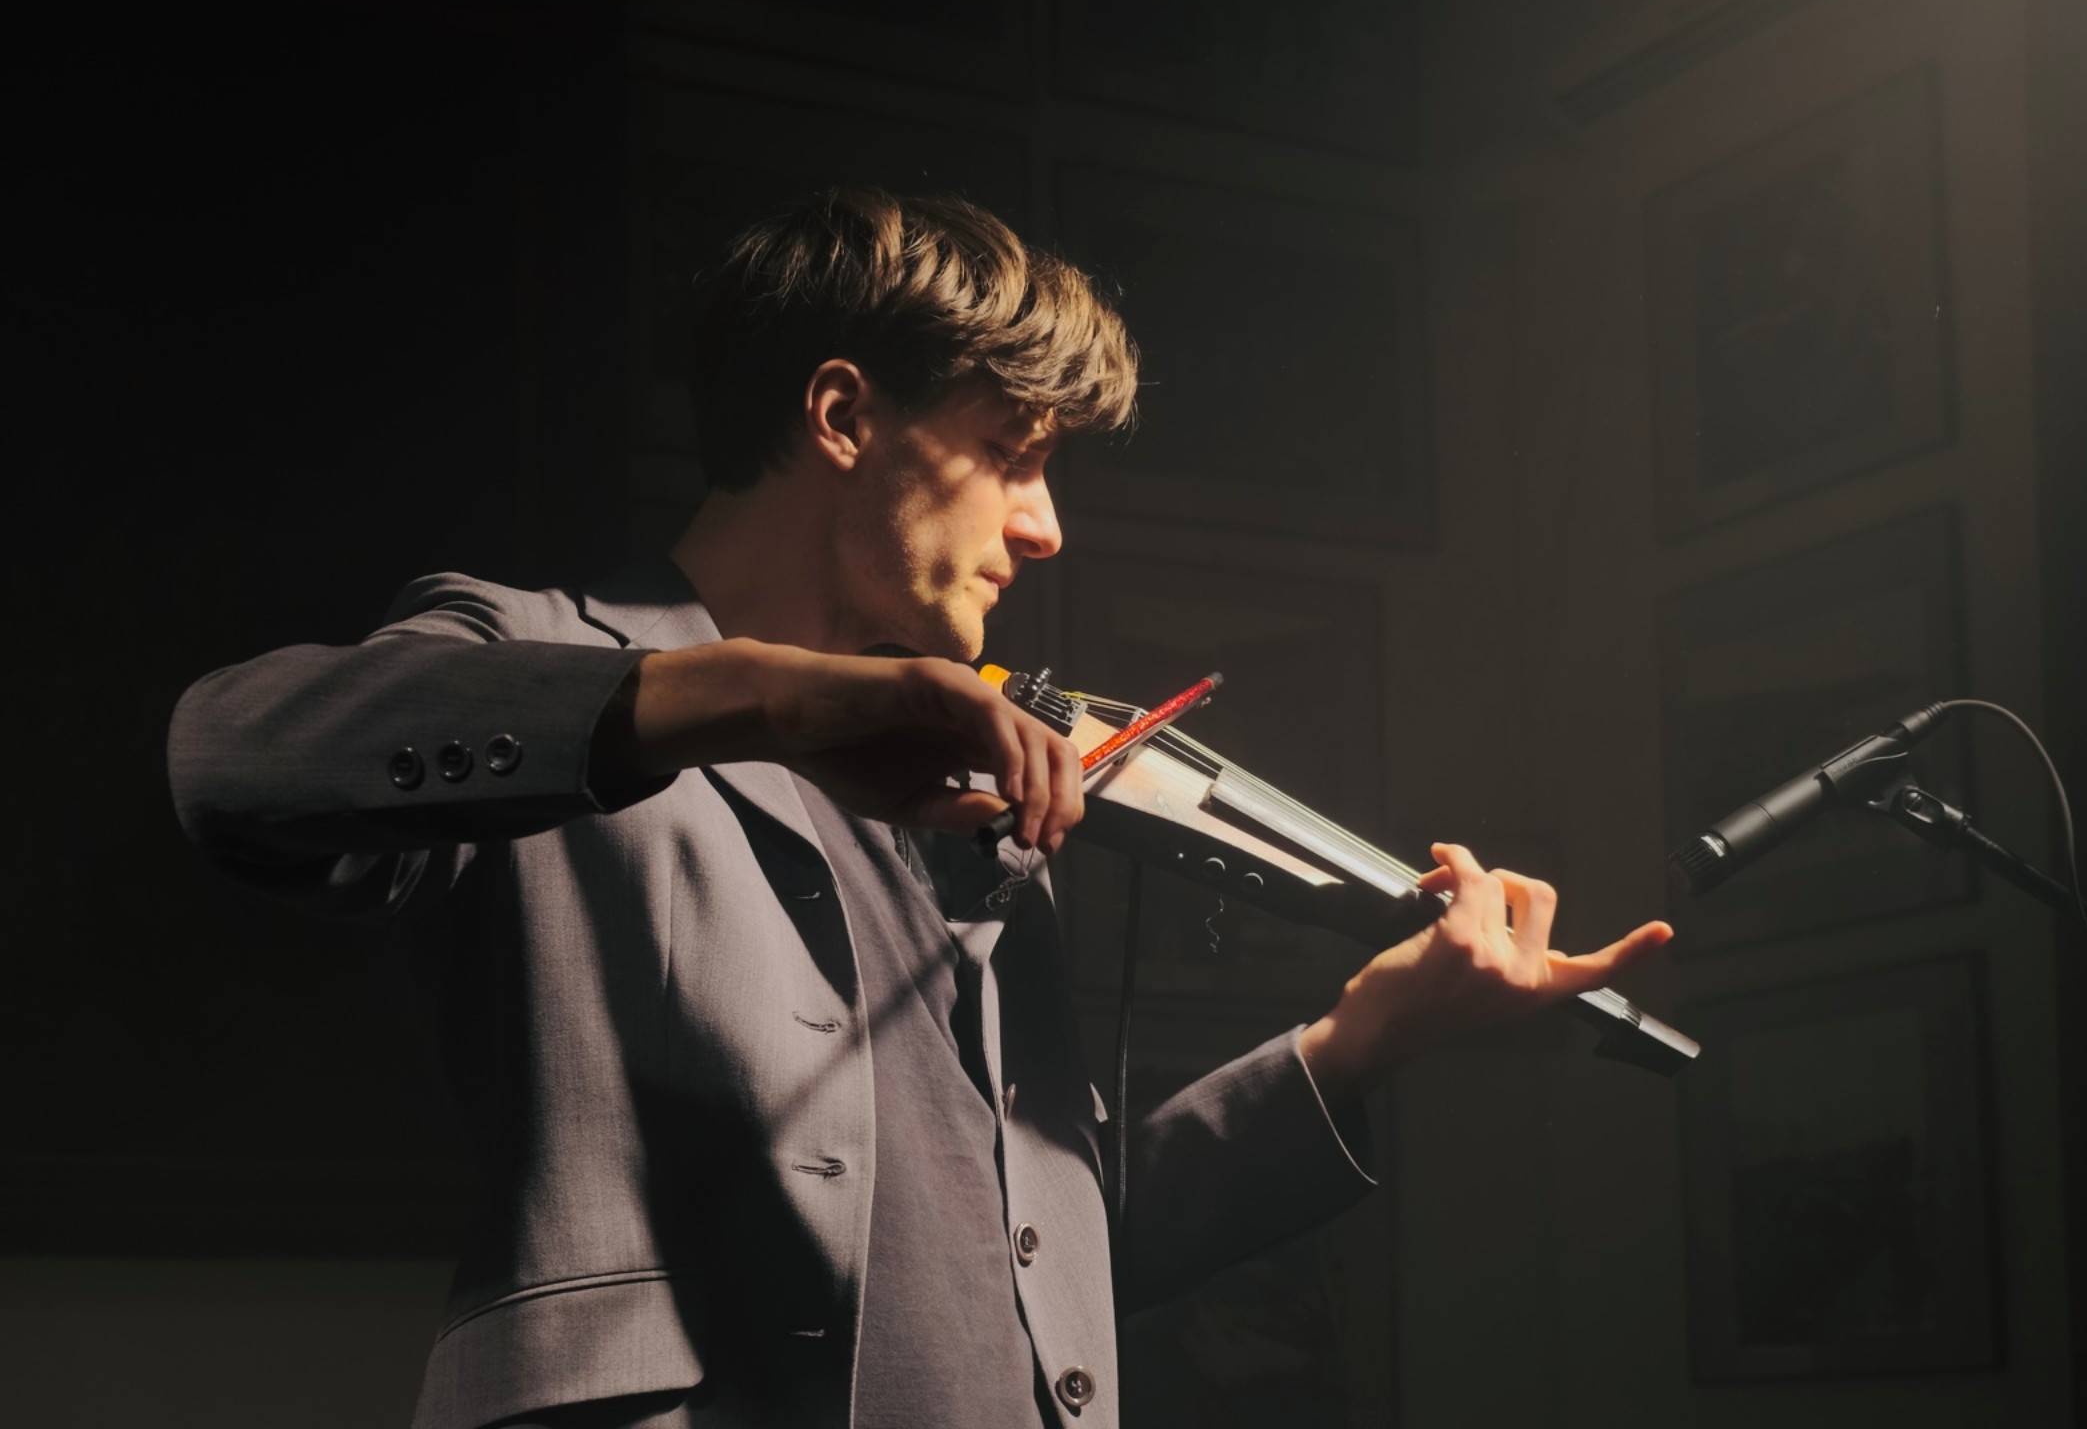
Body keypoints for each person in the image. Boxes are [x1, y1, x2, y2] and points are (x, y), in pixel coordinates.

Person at [167, 188, 1672, 1429]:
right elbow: (237, 760)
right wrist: (761, 699)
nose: (1046, 526)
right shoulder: (551, 658)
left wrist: (1365, 1037)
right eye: (1011, 455)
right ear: (841, 415)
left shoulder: (959, 786)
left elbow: (1044, 1264)